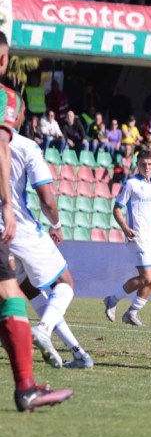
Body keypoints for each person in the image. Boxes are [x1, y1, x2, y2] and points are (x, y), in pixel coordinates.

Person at [0, 34, 72, 411]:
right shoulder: (7, 102)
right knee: (57, 284)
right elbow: (45, 196)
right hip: (10, 221)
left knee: (11, 291)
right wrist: (9, 205)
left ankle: (27, 385)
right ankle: (28, 380)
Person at [7, 129, 94, 369]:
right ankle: (43, 331)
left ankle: (78, 353)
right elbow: (46, 198)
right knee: (65, 283)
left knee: (31, 290)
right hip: (20, 229)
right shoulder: (25, 146)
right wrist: (56, 225)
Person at [104, 150, 151, 326]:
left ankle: (132, 312)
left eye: (150, 164)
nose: (147, 167)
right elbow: (117, 208)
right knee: (146, 276)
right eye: (143, 164)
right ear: (137, 165)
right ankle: (112, 299)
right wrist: (124, 227)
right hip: (137, 236)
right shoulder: (131, 184)